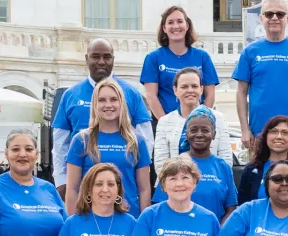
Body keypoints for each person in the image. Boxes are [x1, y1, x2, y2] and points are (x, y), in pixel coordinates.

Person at [52, 38, 153, 195]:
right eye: (95, 56)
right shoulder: (70, 95)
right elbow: (60, 143)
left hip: (124, 187)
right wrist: (61, 180)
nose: (101, 62)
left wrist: (138, 174)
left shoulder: (131, 93)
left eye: (106, 57)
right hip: (83, 184)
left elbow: (146, 140)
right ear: (86, 59)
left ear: (113, 59)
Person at [232, 0, 288, 150]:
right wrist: (245, 129)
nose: (274, 18)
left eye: (280, 14)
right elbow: (241, 92)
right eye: (269, 14)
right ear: (261, 19)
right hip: (259, 134)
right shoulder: (250, 51)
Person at [65, 78, 152, 218]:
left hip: (128, 217)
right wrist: (72, 222)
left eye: (113, 99)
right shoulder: (81, 140)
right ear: (95, 104)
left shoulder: (136, 141)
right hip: (90, 218)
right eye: (102, 100)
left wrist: (143, 222)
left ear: (121, 103)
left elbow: (144, 189)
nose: (108, 105)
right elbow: (72, 188)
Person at [152, 106, 237, 223]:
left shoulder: (223, 167)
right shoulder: (173, 165)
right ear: (186, 134)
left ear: (214, 134)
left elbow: (231, 209)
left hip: (214, 233)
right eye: (193, 130)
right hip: (179, 230)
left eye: (205, 130)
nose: (199, 134)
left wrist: (219, 231)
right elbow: (160, 207)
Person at [141, 6, 219, 120]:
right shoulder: (153, 58)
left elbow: (210, 95)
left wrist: (200, 120)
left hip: (197, 124)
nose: (176, 26)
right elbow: (151, 96)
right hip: (164, 123)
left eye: (180, 21)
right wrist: (167, 123)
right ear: (164, 28)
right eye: (170, 22)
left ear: (187, 26)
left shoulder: (203, 57)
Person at [153, 68, 231, 172]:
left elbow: (226, 160)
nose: (190, 90)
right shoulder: (164, 122)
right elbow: (160, 164)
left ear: (201, 89)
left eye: (194, 86)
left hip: (212, 180)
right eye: (184, 87)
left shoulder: (218, 118)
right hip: (176, 180)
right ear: (175, 90)